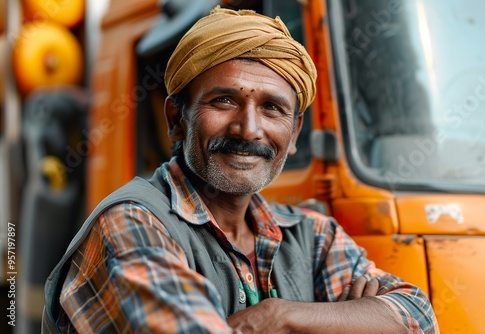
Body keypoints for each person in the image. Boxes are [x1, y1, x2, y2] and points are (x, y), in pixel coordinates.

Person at [42, 6, 439, 334]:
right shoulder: (130, 224)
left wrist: (280, 317)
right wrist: (347, 321)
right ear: (177, 119)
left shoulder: (313, 235)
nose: (249, 129)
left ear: (296, 131)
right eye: (224, 101)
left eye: (272, 108)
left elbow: (419, 317)